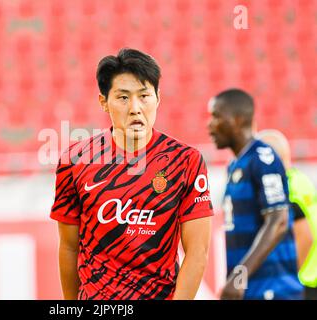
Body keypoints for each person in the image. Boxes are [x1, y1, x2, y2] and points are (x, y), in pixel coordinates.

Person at [50, 48, 213, 300]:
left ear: (158, 97)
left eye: (144, 96)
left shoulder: (186, 161)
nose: (136, 108)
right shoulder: (75, 161)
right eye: (123, 98)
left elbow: (197, 251)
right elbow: (69, 247)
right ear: (104, 102)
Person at [207, 88, 303, 300]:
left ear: (237, 120)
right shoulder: (236, 165)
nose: (209, 125)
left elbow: (278, 220)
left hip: (275, 291)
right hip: (252, 291)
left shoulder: (263, 157)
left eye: (215, 116)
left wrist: (238, 277)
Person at [257, 129, 317, 300]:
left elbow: (305, 236)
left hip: (302, 279)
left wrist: (287, 278)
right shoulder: (299, 179)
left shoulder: (285, 189)